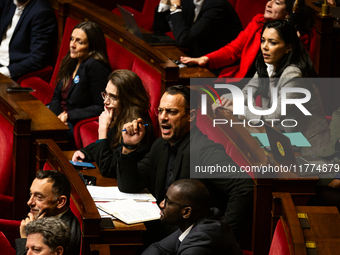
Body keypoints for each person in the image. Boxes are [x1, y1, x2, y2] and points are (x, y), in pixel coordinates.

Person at [117, 85, 254, 243]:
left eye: (172, 112)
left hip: (189, 239)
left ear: (191, 116)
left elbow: (244, 187)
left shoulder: (203, 150)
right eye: (160, 111)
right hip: (162, 230)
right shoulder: (160, 146)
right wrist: (128, 147)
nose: (163, 117)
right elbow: (129, 185)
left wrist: (222, 237)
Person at [214, 20, 330, 156]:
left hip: (307, 146)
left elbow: (275, 114)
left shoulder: (294, 75)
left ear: (288, 47)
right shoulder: (268, 64)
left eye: (273, 43)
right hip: (281, 135)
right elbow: (248, 90)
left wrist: (240, 108)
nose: (264, 47)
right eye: (263, 41)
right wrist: (228, 100)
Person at [180, 0, 311, 79]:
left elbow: (285, 73)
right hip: (243, 79)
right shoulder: (259, 22)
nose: (269, 4)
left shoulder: (298, 38)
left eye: (277, 2)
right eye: (270, 0)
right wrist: (206, 59)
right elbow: (233, 50)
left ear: (289, 13)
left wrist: (293, 41)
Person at [71, 69, 155, 177]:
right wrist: (84, 152)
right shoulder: (121, 117)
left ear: (128, 100)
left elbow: (108, 169)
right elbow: (109, 144)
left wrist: (102, 130)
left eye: (113, 97)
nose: (106, 101)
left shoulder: (136, 128)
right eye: (106, 94)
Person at [142, 179, 243, 255]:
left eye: (168, 202)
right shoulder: (196, 220)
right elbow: (158, 248)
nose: (162, 204)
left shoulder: (202, 239)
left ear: (186, 212)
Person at [49, 21, 111, 134]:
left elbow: (101, 106)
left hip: (75, 122)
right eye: (72, 39)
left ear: (92, 46)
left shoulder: (95, 67)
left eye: (79, 42)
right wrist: (56, 118)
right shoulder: (71, 61)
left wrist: (68, 116)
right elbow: (56, 97)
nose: (72, 44)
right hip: (60, 117)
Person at [15, 170, 81, 255]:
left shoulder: (64, 235)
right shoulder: (48, 217)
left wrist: (25, 238)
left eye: (39, 197)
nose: (29, 202)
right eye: (31, 194)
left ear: (60, 202)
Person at [153, 0, 242, 58]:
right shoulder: (189, 1)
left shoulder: (217, 5)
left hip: (218, 67)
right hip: (195, 56)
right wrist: (164, 3)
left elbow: (183, 40)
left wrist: (176, 8)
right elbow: (159, 30)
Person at [0, 0, 57, 80]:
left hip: (11, 66)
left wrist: (5, 71)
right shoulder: (8, 2)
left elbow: (38, 58)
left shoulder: (42, 12)